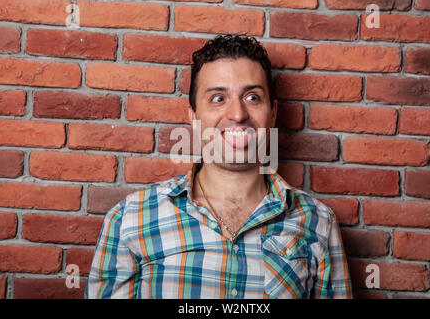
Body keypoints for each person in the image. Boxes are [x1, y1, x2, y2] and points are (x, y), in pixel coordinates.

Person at [85, 34, 352, 299]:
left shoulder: (318, 222)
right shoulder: (130, 218)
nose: (237, 114)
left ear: (272, 113)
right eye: (217, 98)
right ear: (193, 116)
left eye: (252, 97)